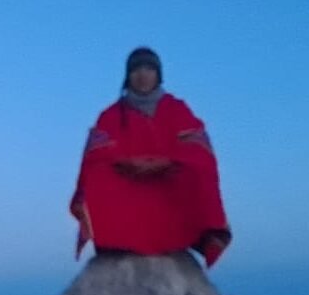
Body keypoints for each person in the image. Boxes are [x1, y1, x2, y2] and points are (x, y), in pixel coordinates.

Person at [70, 47, 232, 267]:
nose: (143, 75)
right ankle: (116, 241)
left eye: (149, 69)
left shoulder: (178, 109)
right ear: (128, 76)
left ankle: (200, 236)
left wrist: (167, 163)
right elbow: (96, 155)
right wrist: (127, 163)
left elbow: (198, 149)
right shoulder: (111, 115)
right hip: (128, 181)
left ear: (158, 74)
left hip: (168, 179)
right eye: (136, 70)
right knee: (98, 176)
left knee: (198, 172)